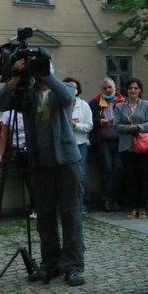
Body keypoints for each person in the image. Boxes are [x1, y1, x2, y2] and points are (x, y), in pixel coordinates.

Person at [0, 60, 85, 286]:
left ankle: (72, 265)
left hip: (66, 160)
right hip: (39, 162)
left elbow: (67, 98)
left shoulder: (63, 89)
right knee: (45, 215)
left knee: (70, 213)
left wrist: (46, 74)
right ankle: (50, 263)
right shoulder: (27, 94)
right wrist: (15, 77)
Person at [113, 78, 148, 219]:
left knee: (143, 177)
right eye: (130, 88)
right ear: (127, 90)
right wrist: (128, 128)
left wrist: (138, 127)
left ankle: (142, 207)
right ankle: (132, 207)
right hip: (127, 147)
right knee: (130, 178)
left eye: (136, 88)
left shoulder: (146, 105)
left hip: (143, 147)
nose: (133, 90)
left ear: (140, 90)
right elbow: (116, 125)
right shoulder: (119, 107)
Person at [89, 77, 126, 212]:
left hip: (120, 140)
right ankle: (108, 200)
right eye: (105, 88)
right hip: (103, 140)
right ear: (101, 90)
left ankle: (110, 198)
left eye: (110, 87)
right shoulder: (95, 102)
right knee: (107, 169)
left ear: (115, 88)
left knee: (119, 169)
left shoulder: (122, 101)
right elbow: (90, 121)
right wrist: (100, 122)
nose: (108, 90)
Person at [63, 77, 93, 215]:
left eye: (74, 88)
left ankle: (82, 204)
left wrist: (75, 125)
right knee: (66, 175)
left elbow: (89, 126)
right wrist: (67, 122)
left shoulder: (84, 105)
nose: (71, 90)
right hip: (65, 143)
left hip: (80, 143)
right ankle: (68, 204)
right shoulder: (61, 105)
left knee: (81, 174)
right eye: (68, 87)